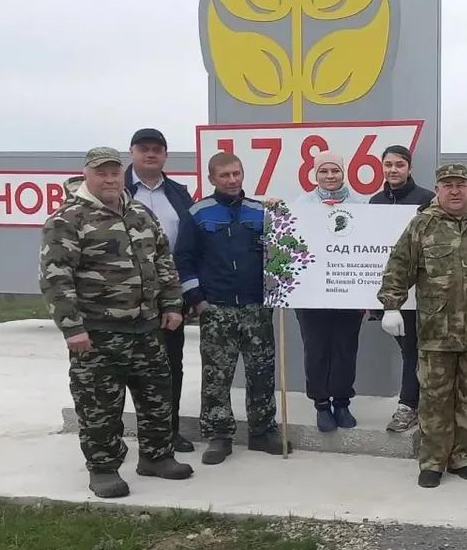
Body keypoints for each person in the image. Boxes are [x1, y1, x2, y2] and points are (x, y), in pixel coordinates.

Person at [39, 146, 193, 498]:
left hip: (147, 328)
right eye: (101, 173)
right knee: (100, 407)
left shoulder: (139, 213)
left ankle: (156, 457)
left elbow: (164, 261)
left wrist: (172, 305)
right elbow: (55, 278)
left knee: (157, 398)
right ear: (86, 175)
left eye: (114, 172)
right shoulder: (68, 219)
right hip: (98, 333)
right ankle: (104, 469)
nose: (109, 179)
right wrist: (72, 327)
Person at [378, 163, 467, 488]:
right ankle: (432, 461)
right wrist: (391, 306)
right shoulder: (422, 225)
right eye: (447, 185)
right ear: (438, 189)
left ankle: (462, 457)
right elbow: (398, 267)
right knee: (434, 400)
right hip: (436, 332)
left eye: (460, 185)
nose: (455, 191)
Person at [175, 151, 290, 465]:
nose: (231, 180)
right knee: (217, 376)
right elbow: (183, 259)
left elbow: (280, 252)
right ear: (212, 178)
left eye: (236, 174)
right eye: (224, 175)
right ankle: (219, 436)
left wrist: (282, 215)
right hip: (216, 309)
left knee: (261, 372)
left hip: (256, 307)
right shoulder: (198, 213)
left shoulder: (261, 211)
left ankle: (262, 431)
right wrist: (197, 300)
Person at [125, 128, 196, 453]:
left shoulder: (179, 194)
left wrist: (188, 293)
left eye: (157, 149)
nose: (151, 154)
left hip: (169, 296)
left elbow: (191, 246)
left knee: (169, 366)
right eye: (144, 149)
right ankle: (118, 438)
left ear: (166, 155)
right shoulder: (117, 190)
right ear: (132, 152)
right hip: (123, 299)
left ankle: (169, 431)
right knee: (124, 370)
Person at [294, 151, 367, 431]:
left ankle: (342, 402)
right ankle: (322, 404)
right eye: (323, 171)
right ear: (315, 174)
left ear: (343, 172)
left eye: (335, 170)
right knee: (316, 350)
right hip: (311, 293)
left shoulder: (361, 205)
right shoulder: (301, 205)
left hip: (348, 290)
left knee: (345, 349)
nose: (330, 176)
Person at [369, 145, 435, 434]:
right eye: (388, 165)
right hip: (389, 291)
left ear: (409, 168)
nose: (393, 170)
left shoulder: (426, 199)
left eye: (399, 164)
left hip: (418, 291)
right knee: (410, 349)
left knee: (412, 349)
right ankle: (416, 402)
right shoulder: (375, 202)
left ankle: (408, 405)